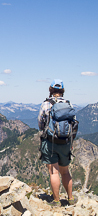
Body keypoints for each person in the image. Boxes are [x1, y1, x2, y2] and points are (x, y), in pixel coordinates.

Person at [37, 79, 77, 207]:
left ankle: (56, 201)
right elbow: (74, 124)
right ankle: (70, 198)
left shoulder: (46, 104)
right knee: (65, 171)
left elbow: (40, 123)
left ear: (51, 90)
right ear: (62, 91)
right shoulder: (68, 104)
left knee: (54, 172)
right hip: (65, 142)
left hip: (51, 142)